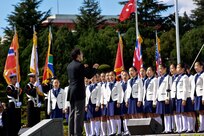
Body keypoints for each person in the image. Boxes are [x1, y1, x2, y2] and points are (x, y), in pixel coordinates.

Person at [67, 48, 99, 136]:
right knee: (79, 114)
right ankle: (78, 133)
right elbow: (88, 75)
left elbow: (80, 73)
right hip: (79, 91)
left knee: (72, 113)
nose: (82, 56)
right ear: (78, 55)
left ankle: (71, 133)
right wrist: (94, 68)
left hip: (71, 91)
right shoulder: (79, 65)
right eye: (81, 54)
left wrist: (86, 67)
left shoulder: (69, 65)